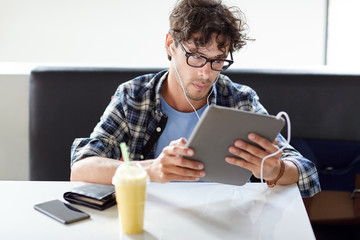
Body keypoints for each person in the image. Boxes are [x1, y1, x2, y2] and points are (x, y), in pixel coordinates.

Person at [70, 0, 320, 198]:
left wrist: (275, 170)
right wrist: (153, 170)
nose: (206, 72)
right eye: (196, 56)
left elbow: (306, 172)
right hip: (151, 217)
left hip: (221, 219)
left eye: (217, 60)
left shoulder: (239, 99)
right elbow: (81, 168)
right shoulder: (134, 96)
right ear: (171, 45)